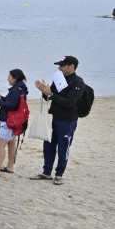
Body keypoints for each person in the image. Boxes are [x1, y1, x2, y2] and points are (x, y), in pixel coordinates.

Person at [32, 56, 85, 185]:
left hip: (67, 121)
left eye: (62, 65)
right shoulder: (58, 78)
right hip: (52, 118)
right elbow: (50, 98)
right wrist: (45, 92)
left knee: (63, 148)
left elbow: (70, 103)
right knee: (48, 146)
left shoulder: (78, 82)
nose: (59, 68)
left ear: (71, 66)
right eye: (59, 65)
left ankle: (59, 174)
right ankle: (46, 172)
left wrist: (50, 94)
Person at [0, 69, 28, 177]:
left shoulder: (16, 90)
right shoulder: (21, 88)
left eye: (9, 77)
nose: (8, 79)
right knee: (11, 143)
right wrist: (1, 97)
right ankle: (10, 167)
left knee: (0, 144)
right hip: (15, 121)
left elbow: (11, 106)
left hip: (10, 121)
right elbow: (11, 101)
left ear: (15, 78)